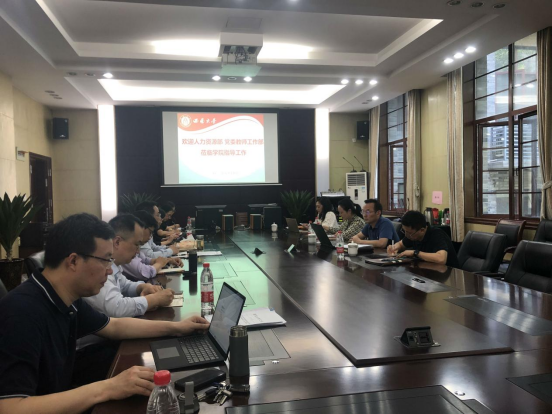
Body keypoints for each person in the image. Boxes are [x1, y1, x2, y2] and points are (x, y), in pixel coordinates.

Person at [0, 213, 209, 414]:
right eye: (105, 260)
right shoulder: (22, 313)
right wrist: (108, 387)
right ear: (73, 261)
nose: (110, 270)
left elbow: (114, 326)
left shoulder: (67, 299)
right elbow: (10, 408)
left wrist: (178, 327)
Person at [84, 214, 175, 317]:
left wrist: (141, 287)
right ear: (117, 242)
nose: (138, 251)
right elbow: (116, 308)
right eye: (136, 244)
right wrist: (154, 299)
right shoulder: (98, 268)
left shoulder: (115, 265)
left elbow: (125, 285)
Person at [122, 210, 182, 282]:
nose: (160, 218)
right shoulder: (124, 252)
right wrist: (160, 263)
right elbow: (144, 273)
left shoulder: (132, 245)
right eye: (158, 215)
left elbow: (145, 259)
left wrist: (167, 260)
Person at [387, 210, 459, 267]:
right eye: (404, 231)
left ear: (422, 230)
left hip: (447, 274)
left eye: (408, 233)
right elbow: (401, 244)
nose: (406, 235)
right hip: (427, 271)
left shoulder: (437, 234)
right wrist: (394, 247)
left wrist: (415, 253)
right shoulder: (412, 235)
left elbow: (441, 259)